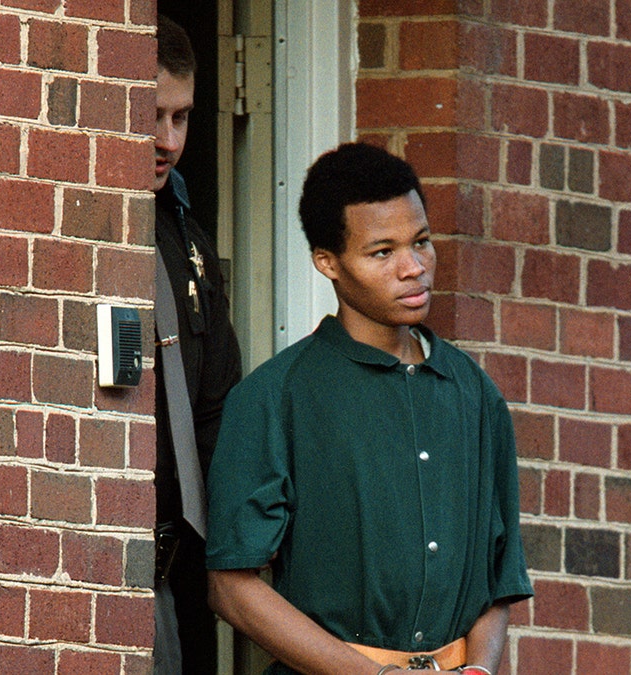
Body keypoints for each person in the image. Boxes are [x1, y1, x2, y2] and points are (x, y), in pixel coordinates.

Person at [204, 142, 533, 675]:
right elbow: (231, 587)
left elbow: (498, 581)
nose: (413, 268)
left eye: (421, 243)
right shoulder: (275, 397)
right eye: (383, 252)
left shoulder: (473, 392)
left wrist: (480, 670)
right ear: (327, 262)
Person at [153, 14, 244, 675]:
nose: (167, 140)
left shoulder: (188, 241)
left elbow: (218, 411)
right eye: (151, 115)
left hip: (176, 575)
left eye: (181, 118)